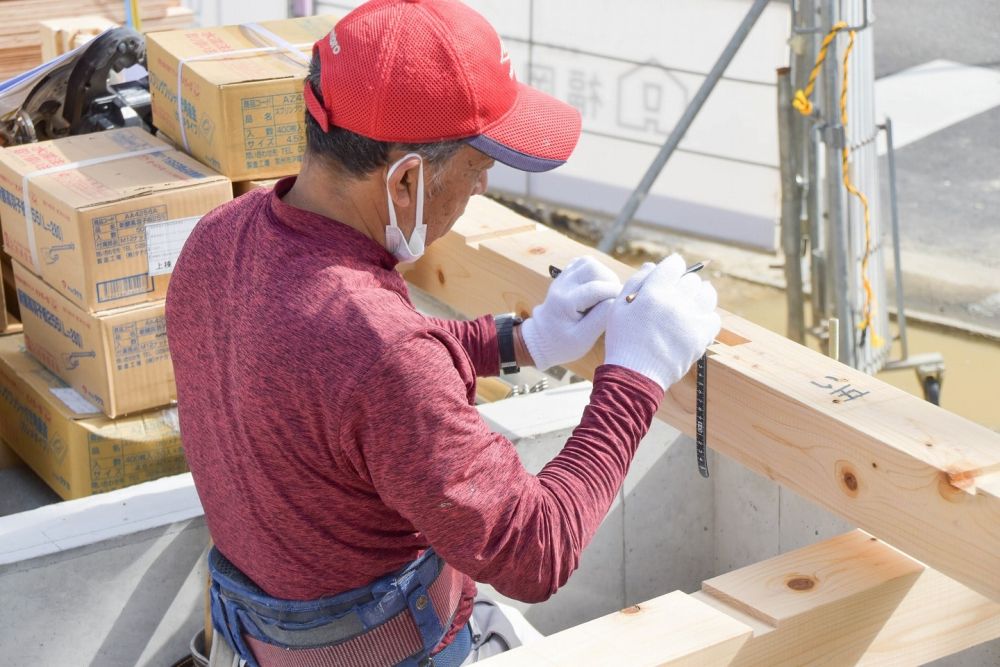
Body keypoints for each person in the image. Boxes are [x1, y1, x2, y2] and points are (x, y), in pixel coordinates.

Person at [165, 0, 720, 665]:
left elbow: (337, 385)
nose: (486, 184)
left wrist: (520, 340)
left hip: (251, 636)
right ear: (406, 180)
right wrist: (638, 374)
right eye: (478, 162)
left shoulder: (221, 237)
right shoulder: (383, 354)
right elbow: (535, 550)